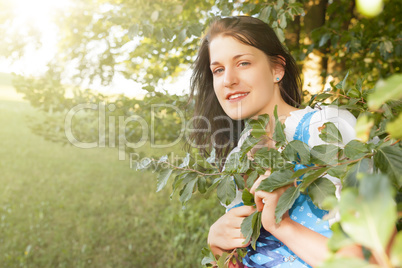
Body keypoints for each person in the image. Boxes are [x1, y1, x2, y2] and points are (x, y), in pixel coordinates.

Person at [189, 16, 360, 268]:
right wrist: (217, 246)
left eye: (243, 63)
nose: (228, 80)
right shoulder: (238, 156)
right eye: (218, 70)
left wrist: (281, 225)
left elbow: (375, 260)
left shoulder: (325, 127)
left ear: (277, 69)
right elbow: (239, 257)